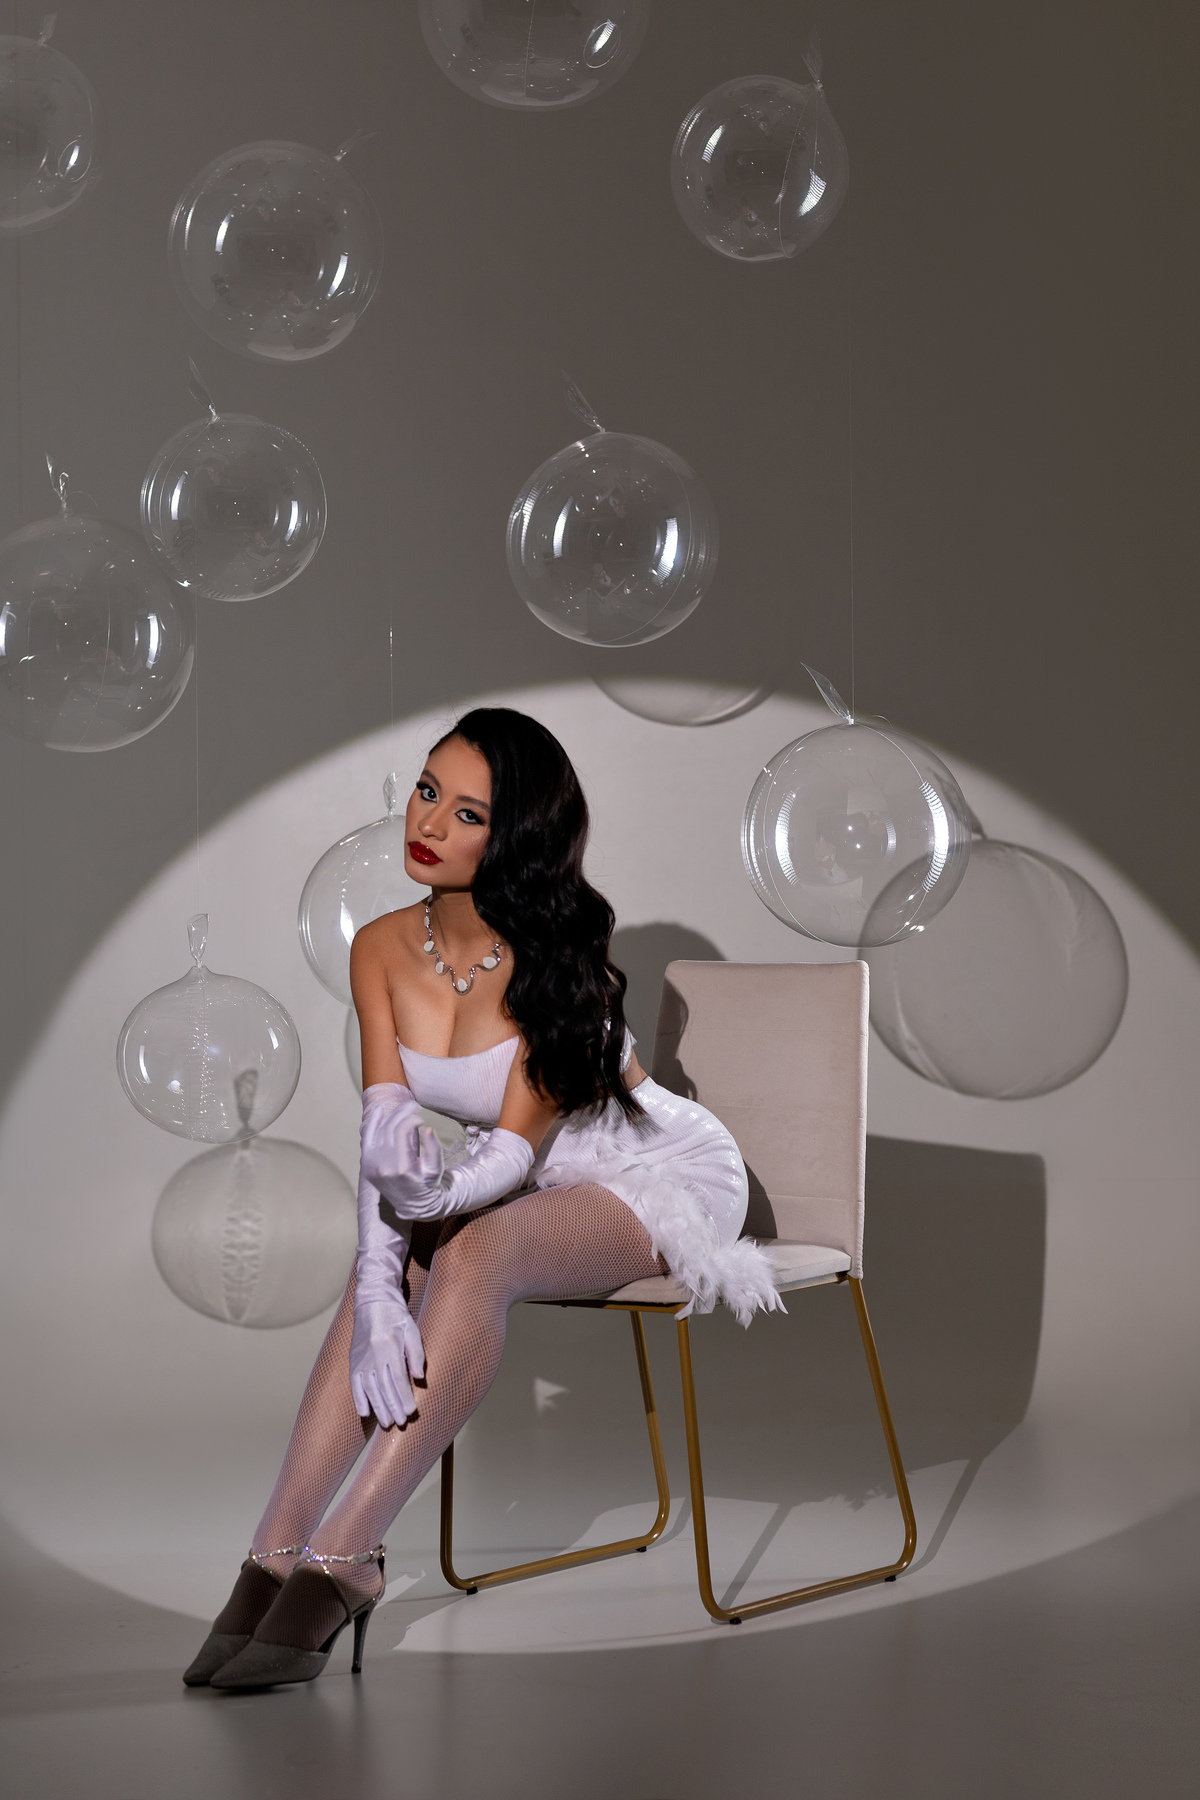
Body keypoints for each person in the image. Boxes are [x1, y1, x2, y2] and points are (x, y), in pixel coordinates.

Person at [185, 708, 780, 1691]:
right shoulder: (380, 947)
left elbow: (507, 1157)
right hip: (536, 1183)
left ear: (516, 839)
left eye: (468, 813)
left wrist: (425, 1203)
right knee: (392, 1264)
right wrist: (376, 1289)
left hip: (661, 1176)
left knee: (469, 1250)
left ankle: (349, 1557)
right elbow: (385, 1132)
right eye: (427, 791)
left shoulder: (558, 968)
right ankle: (275, 1552)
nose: (429, 822)